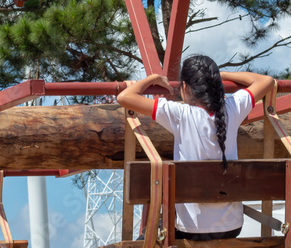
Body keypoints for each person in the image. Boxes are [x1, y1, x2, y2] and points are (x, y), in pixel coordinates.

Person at [117, 55, 275, 241]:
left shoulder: (178, 114)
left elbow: (124, 97)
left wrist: (153, 79)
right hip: (232, 227)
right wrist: (222, 75)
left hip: (191, 229)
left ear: (185, 87)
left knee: (149, 234)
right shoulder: (233, 108)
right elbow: (267, 81)